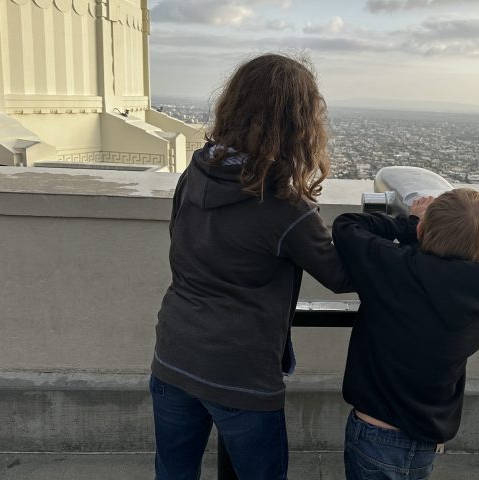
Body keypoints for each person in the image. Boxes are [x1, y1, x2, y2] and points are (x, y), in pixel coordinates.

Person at [150, 53, 351, 480]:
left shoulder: (195, 173)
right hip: (241, 374)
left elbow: (181, 240)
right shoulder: (285, 209)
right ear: (298, 125)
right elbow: (340, 275)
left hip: (174, 352)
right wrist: (368, 231)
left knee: (173, 473)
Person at [332, 188, 479, 480]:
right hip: (423, 443)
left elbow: (346, 226)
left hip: (374, 432)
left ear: (420, 231)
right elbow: (450, 273)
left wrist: (408, 222)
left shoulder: (394, 270)